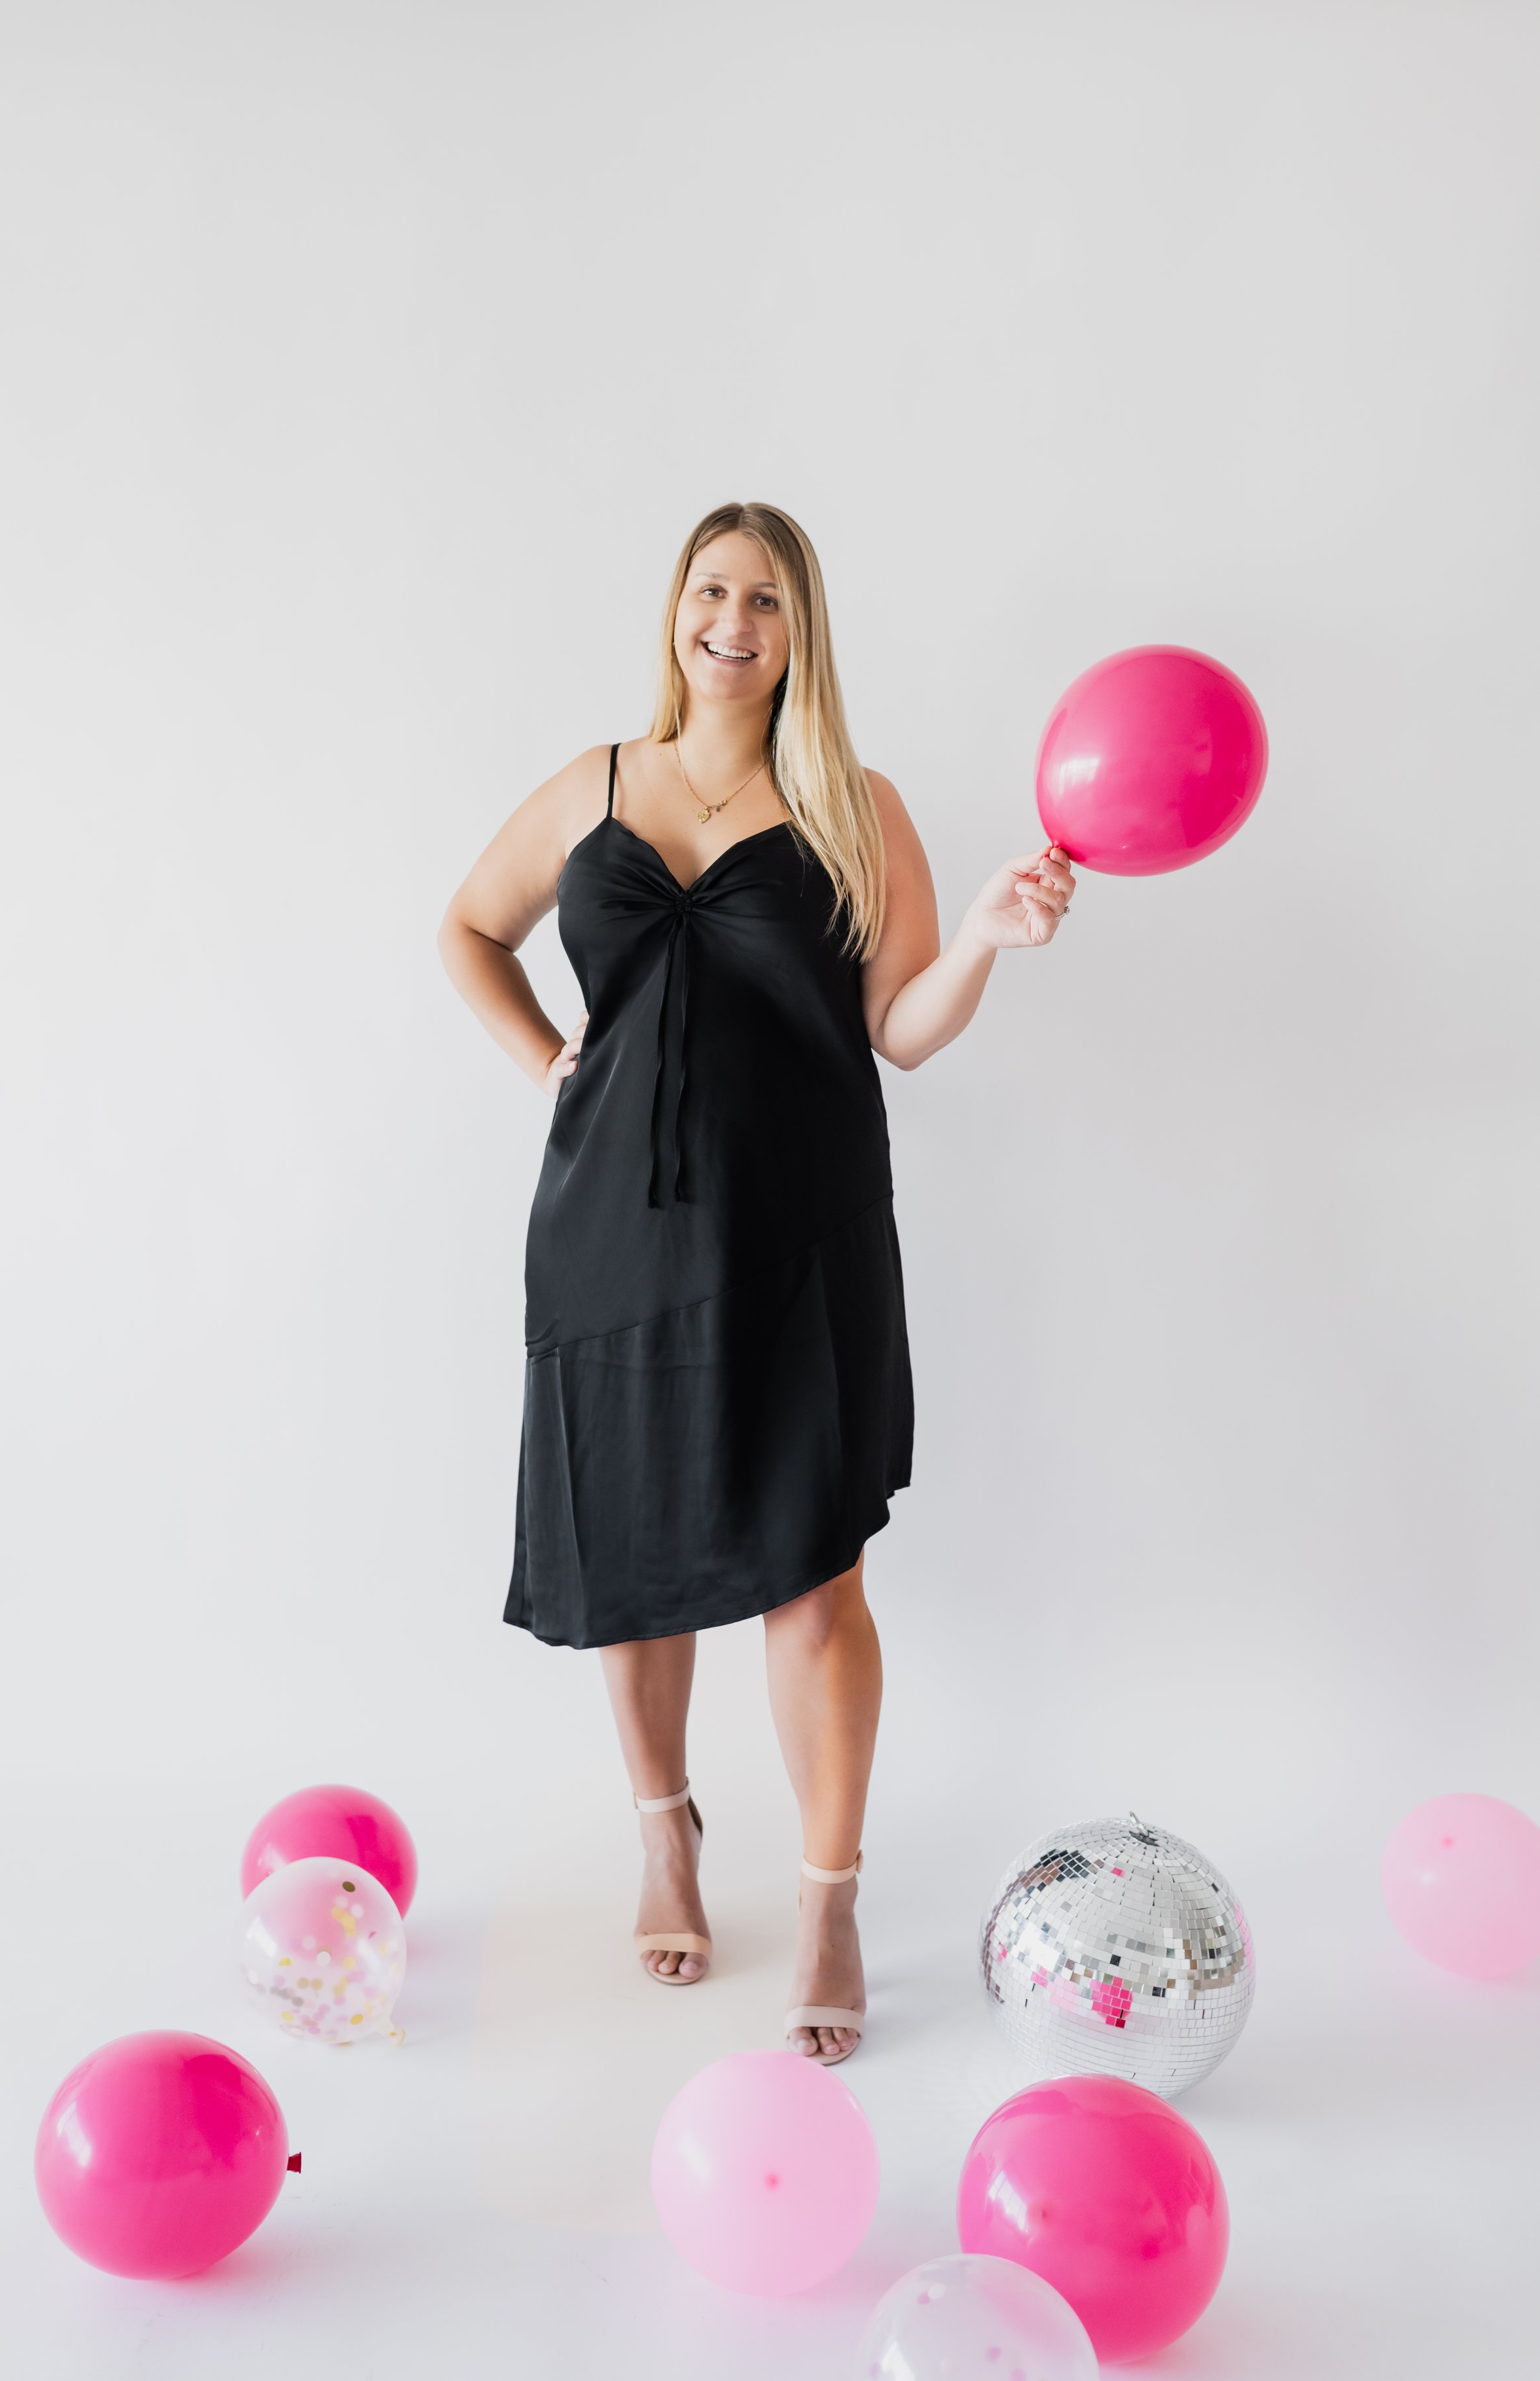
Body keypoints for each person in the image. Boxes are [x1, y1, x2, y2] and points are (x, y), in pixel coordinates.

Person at [439, 501, 1074, 2064]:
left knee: (813, 1579)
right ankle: (665, 1828)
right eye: (711, 590)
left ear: (803, 633)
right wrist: (545, 1059)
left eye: (767, 599)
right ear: (675, 610)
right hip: (610, 1231)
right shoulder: (593, 784)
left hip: (797, 1231)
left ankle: (827, 1895)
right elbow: (466, 925)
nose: (733, 619)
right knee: (631, 1553)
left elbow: (900, 1027)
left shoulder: (853, 802)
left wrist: (985, 934)